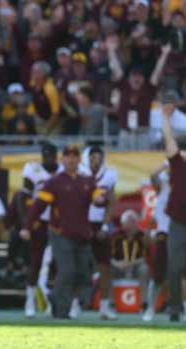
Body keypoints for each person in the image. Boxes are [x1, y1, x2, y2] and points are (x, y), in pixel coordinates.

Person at [21, 145, 106, 319]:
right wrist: (27, 227)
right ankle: (61, 307)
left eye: (74, 156)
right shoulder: (54, 182)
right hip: (60, 233)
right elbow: (38, 207)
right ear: (63, 159)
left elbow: (99, 197)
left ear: (79, 160)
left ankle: (60, 299)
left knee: (84, 273)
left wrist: (100, 200)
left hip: (82, 234)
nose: (71, 159)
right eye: (67, 156)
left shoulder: (87, 181)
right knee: (67, 270)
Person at [107, 36, 171, 150]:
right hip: (125, 133)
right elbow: (116, 69)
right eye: (134, 76)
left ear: (143, 78)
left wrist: (164, 54)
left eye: (139, 76)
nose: (136, 79)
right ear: (129, 77)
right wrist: (111, 50)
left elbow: (157, 71)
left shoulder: (148, 89)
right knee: (123, 164)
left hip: (142, 134)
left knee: (143, 164)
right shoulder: (124, 86)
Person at [20, 142, 61, 318]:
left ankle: (56, 302)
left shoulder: (64, 171)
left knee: (59, 265)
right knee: (35, 263)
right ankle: (30, 300)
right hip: (40, 223)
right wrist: (27, 224)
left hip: (60, 223)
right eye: (45, 156)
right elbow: (23, 197)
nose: (48, 159)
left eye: (51, 156)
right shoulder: (33, 170)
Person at [78, 146, 118, 320]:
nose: (95, 160)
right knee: (77, 267)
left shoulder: (109, 175)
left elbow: (111, 201)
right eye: (92, 157)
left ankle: (104, 306)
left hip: (99, 223)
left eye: (98, 157)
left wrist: (104, 227)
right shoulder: (79, 173)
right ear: (87, 158)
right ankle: (74, 305)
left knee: (104, 267)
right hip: (82, 224)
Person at [160, 100, 186, 322]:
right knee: (175, 267)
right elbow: (169, 140)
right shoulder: (178, 163)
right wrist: (165, 119)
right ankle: (175, 308)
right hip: (178, 222)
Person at [144, 161, 170, 322]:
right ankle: (150, 308)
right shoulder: (164, 179)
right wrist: (166, 163)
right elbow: (153, 176)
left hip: (182, 231)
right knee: (158, 274)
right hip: (164, 231)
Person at [110, 210, 149, 311]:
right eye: (130, 222)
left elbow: (144, 257)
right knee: (107, 270)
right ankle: (110, 303)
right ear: (123, 223)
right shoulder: (115, 236)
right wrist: (118, 264)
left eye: (134, 222)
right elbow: (109, 256)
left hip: (136, 265)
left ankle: (144, 303)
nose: (132, 224)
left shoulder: (141, 236)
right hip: (119, 266)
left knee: (144, 269)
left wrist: (130, 264)